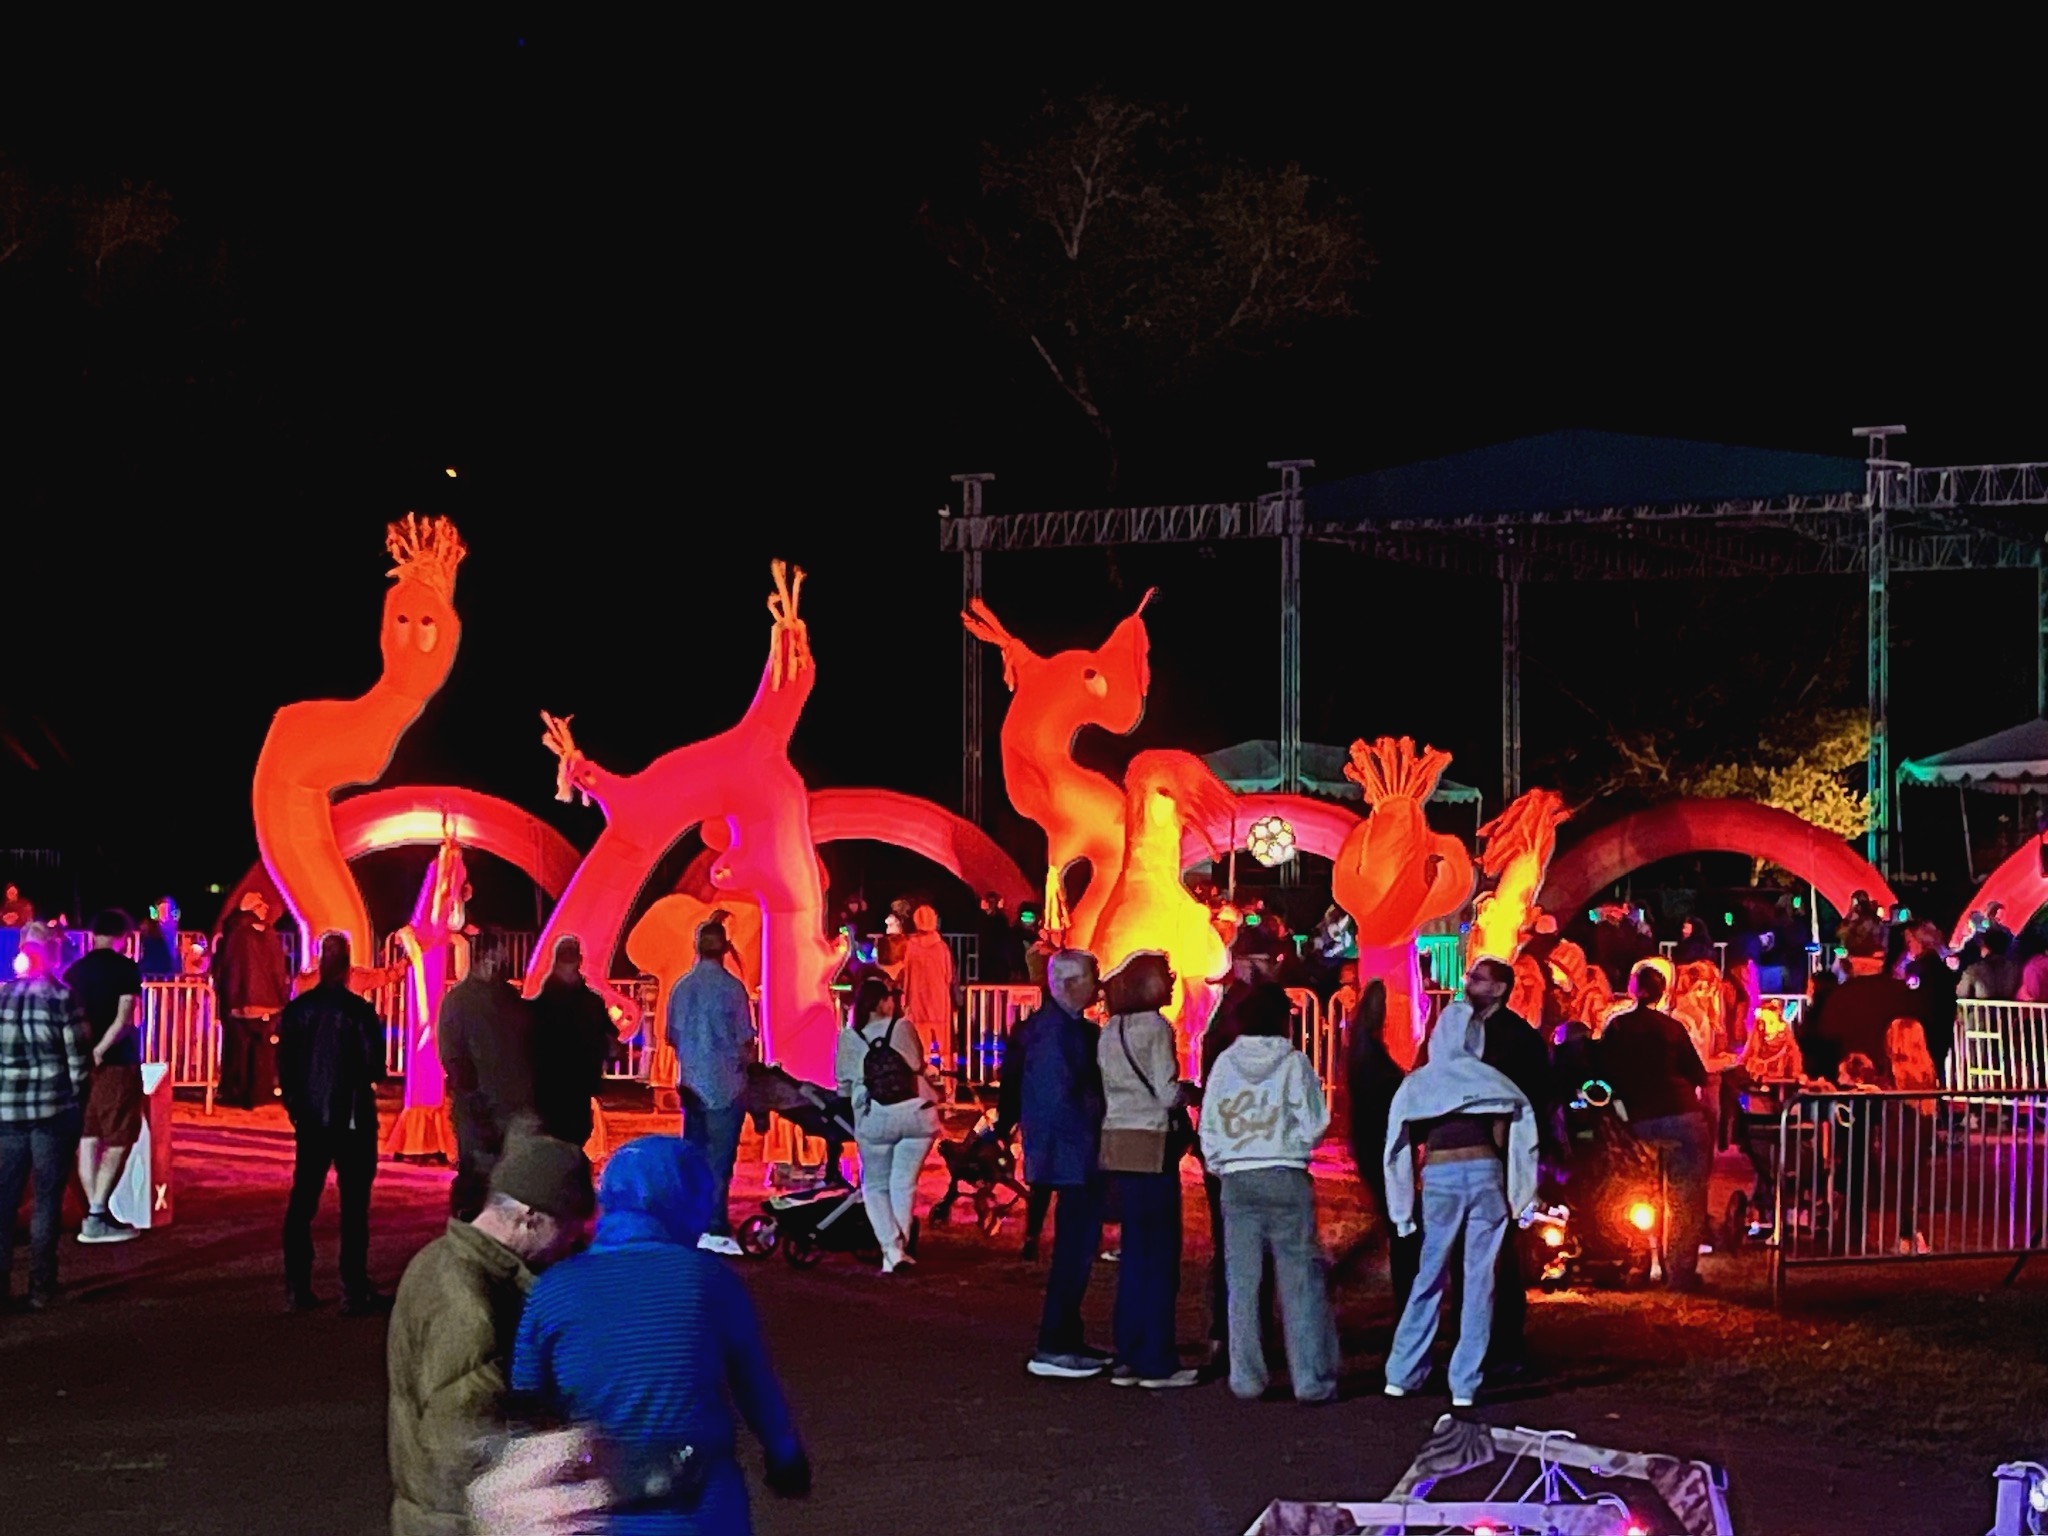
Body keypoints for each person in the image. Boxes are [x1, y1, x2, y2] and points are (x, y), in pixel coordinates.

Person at [511, 1135, 810, 1535]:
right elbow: (754, 1383)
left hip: (593, 1503)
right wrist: (784, 1454)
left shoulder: (554, 1287)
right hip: (694, 1501)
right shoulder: (708, 1280)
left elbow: (526, 1398)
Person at [388, 1135, 595, 1536]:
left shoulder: (438, 1258)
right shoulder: (469, 1303)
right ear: (530, 1218)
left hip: (436, 1511)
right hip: (460, 1522)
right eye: (568, 1229)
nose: (572, 1243)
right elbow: (465, 1437)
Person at [1381, 1002, 1537, 1408]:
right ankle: (1465, 1382)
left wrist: (1400, 1208)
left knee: (1429, 1275)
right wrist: (1521, 1195)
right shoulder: (1492, 1081)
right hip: (1486, 1172)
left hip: (1441, 1176)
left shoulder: (1420, 1083)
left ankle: (1402, 1372)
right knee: (1480, 1279)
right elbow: (1516, 1132)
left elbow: (1397, 1144)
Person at [1201, 982, 1336, 1403]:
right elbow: (1314, 1121)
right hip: (1285, 1172)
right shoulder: (1294, 1063)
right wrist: (1293, 1144)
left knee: (1242, 1282)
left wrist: (1221, 1162)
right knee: (1300, 1280)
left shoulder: (1224, 1063)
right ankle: (1310, 1378)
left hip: (1238, 1178)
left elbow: (1209, 1121)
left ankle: (1246, 1377)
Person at [996, 948, 1108, 1379]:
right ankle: (1056, 1342)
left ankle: (1065, 1337)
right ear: (1068, 984)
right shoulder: (1057, 1035)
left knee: (1075, 1249)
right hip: (1072, 1155)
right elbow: (1059, 1099)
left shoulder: (1052, 1029)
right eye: (1091, 979)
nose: (1097, 988)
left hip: (1068, 1153)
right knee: (1073, 1251)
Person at [1094, 952, 1197, 1389]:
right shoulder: (1156, 1028)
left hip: (1118, 1141)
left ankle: (1128, 1350)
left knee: (1135, 1251)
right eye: (1167, 979)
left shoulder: (1110, 1030)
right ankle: (1157, 1358)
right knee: (1160, 1252)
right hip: (1152, 1142)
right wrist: (1191, 1093)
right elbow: (1165, 1092)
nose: (1172, 985)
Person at [277, 931, 389, 1314]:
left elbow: (286, 1069)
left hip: (311, 1117)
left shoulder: (297, 1011)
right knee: (354, 1206)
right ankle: (353, 1288)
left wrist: (296, 1106)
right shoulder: (359, 1012)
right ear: (346, 966)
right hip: (353, 1117)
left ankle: (297, 1285)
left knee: (303, 1199)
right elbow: (377, 1067)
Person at [1450, 957, 1553, 1373]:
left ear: (1498, 988)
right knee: (1462, 1250)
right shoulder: (1459, 1031)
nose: (1468, 983)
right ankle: (1468, 1338)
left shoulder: (1517, 1037)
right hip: (1462, 1151)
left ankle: (1506, 1343)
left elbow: (1535, 1097)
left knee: (1500, 1250)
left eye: (1478, 978)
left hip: (1503, 1151)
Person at [1597, 965, 1711, 1291]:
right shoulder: (1673, 1028)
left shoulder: (1617, 1028)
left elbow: (1604, 1071)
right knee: (1685, 1196)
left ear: (1632, 989)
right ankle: (1681, 1273)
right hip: (1682, 1115)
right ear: (1663, 993)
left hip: (1640, 1121)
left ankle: (1637, 1261)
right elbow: (1697, 1075)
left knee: (1636, 1191)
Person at [0, 923, 92, 1309]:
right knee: (46, 1200)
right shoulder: (62, 996)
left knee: (4, 1201)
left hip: (7, 1111)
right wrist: (79, 1100)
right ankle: (41, 1286)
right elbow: (78, 1061)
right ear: (52, 952)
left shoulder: (2, 997)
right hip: (53, 1110)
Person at [834, 975, 940, 1275]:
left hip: (875, 1116)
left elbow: (842, 1086)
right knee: (904, 1183)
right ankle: (897, 1251)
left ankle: (892, 1250)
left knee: (876, 1186)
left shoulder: (849, 1038)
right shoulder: (903, 1028)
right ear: (881, 1002)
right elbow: (917, 1064)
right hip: (917, 1114)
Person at [666, 921, 757, 1255]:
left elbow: (672, 1036)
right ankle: (714, 1222)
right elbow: (745, 1037)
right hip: (726, 1083)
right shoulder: (732, 989)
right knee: (720, 1159)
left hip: (692, 1081)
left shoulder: (681, 987)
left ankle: (692, 1220)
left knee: (694, 1154)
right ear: (725, 949)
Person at [438, 928, 538, 1221]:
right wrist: (471, 1095)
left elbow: (527, 1041)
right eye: (499, 955)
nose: (503, 961)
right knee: (475, 1173)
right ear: (485, 957)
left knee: (509, 1174)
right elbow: (452, 1054)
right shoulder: (458, 1001)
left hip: (512, 1101)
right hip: (477, 1104)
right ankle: (468, 1228)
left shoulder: (508, 997)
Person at [65, 910, 146, 1244]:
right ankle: (97, 1212)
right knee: (120, 1136)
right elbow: (126, 1016)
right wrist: (102, 1048)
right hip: (116, 1062)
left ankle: (92, 1212)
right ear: (122, 936)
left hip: (80, 1066)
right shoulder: (126, 969)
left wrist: (85, 1052)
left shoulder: (74, 971)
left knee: (88, 1135)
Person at [529, 936, 619, 1153]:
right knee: (566, 1136)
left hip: (568, 1081)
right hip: (562, 1082)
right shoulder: (584, 1002)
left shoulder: (548, 1004)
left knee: (569, 1135)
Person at [214, 893, 294, 1109]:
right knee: (262, 1051)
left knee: (238, 1049)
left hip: (237, 1002)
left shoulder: (232, 933)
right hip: (266, 1001)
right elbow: (277, 970)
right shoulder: (266, 934)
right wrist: (283, 997)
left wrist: (226, 997)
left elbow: (223, 968)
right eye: (262, 906)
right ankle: (258, 1094)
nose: (266, 910)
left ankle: (235, 1091)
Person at [900, 902, 955, 1076]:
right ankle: (949, 1089)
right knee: (944, 1048)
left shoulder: (909, 947)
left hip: (916, 1002)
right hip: (939, 1003)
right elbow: (949, 976)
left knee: (919, 1046)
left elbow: (904, 975)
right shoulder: (942, 948)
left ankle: (920, 1086)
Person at [1959, 925, 2022, 1002]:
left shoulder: (1974, 970)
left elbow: (1961, 996)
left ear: (1985, 947)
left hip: (1981, 1012)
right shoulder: (2014, 968)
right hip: (2008, 1013)